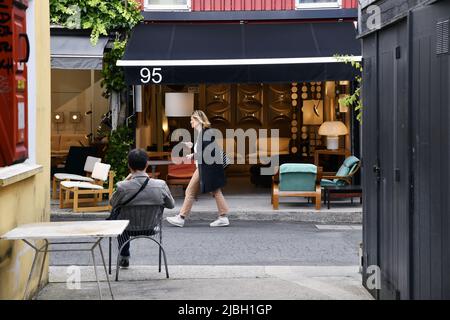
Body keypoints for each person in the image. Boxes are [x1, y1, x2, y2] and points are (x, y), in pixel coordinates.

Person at [110, 148, 175, 268]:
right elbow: (171, 205)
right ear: (147, 164)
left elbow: (112, 203)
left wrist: (125, 180)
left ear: (129, 166)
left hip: (126, 229)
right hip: (151, 227)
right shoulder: (160, 185)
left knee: (116, 213)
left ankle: (124, 256)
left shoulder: (122, 187)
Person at [167, 110, 229, 228]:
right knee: (215, 191)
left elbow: (207, 152)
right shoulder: (202, 133)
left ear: (198, 120)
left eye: (192, 120)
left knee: (190, 191)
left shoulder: (206, 133)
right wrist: (192, 149)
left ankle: (181, 217)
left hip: (207, 168)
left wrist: (193, 155)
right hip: (204, 167)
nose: (190, 122)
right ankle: (223, 217)